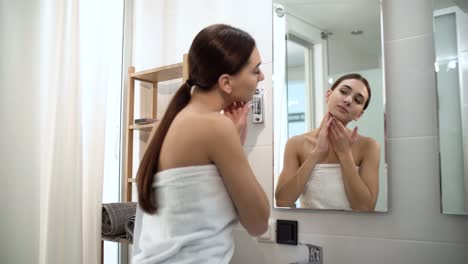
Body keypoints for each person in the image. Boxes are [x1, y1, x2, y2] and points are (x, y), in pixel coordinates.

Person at [132, 24, 270, 264]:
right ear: (226, 83)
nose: (261, 77)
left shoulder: (164, 125)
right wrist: (234, 143)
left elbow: (191, 202)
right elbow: (258, 222)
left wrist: (233, 141)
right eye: (255, 70)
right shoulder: (215, 127)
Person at [275, 73, 380, 211]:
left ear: (359, 114)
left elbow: (366, 208)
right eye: (343, 91)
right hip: (309, 231)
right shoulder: (296, 144)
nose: (348, 100)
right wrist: (317, 153)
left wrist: (345, 154)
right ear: (328, 95)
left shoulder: (369, 147)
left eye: (357, 100)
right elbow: (282, 201)